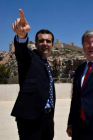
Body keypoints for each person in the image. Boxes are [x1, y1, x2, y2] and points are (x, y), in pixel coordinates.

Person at [11, 9, 55, 140]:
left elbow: (48, 92)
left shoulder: (47, 64)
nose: (44, 44)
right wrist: (22, 36)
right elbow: (21, 52)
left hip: (47, 118)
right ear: (35, 44)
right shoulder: (29, 57)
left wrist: (50, 117)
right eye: (41, 41)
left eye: (48, 41)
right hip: (30, 119)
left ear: (53, 44)